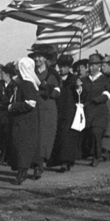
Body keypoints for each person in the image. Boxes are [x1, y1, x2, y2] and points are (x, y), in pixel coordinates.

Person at [7, 57, 44, 184]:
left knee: (23, 146)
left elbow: (30, 104)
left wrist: (13, 106)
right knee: (28, 145)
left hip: (26, 120)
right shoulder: (22, 83)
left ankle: (22, 172)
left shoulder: (27, 84)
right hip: (23, 119)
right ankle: (36, 166)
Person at [50, 54, 85, 171]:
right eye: (60, 66)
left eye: (64, 67)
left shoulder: (74, 79)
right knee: (59, 135)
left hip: (70, 111)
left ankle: (66, 161)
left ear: (69, 67)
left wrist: (79, 88)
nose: (62, 69)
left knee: (68, 136)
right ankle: (59, 159)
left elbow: (81, 95)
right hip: (57, 109)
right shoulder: (56, 78)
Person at [29, 45, 61, 174]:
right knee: (34, 137)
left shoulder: (52, 75)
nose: (37, 59)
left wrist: (45, 86)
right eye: (35, 56)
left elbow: (56, 93)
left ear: (45, 58)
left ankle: (39, 165)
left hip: (47, 109)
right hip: (33, 109)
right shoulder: (30, 73)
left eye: (40, 56)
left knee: (44, 138)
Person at [79, 52, 110, 167]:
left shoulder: (105, 80)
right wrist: (78, 87)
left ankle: (96, 156)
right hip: (87, 112)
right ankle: (88, 153)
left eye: (95, 65)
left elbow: (109, 94)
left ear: (99, 66)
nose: (93, 68)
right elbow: (80, 95)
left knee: (96, 133)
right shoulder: (84, 80)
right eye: (91, 65)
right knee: (89, 134)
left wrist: (99, 98)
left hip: (100, 112)